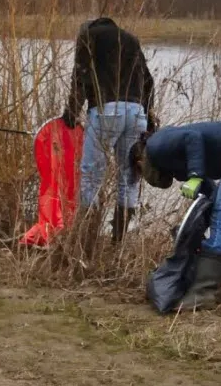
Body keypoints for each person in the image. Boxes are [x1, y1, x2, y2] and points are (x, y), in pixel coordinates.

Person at [135, 119, 221, 310]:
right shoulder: (175, 160)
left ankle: (203, 292)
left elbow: (192, 137)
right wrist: (191, 231)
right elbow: (209, 195)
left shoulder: (155, 145)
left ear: (140, 162)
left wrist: (194, 176)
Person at [61, 17, 157, 243]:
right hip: (136, 113)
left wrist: (71, 113)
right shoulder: (132, 40)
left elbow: (81, 75)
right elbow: (149, 83)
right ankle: (117, 243)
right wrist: (149, 116)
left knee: (91, 176)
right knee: (129, 177)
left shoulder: (88, 36)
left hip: (107, 111)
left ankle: (85, 242)